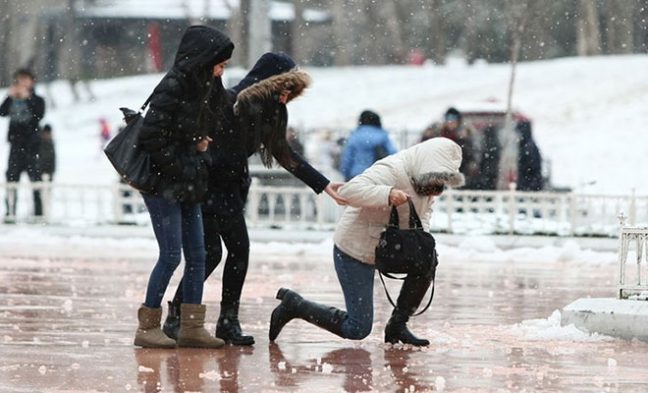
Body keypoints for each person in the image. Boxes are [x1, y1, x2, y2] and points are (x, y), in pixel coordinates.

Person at [161, 53, 346, 346]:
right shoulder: (232, 100)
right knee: (220, 253)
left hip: (230, 188)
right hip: (207, 186)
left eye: (291, 91)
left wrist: (323, 184)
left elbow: (284, 154)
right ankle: (188, 317)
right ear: (270, 83)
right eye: (285, 88)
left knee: (220, 253)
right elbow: (207, 118)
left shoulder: (274, 111)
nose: (287, 96)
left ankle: (213, 320)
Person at [268, 137, 464, 347]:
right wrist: (386, 194)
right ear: (426, 166)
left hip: (387, 247)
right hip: (355, 249)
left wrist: (420, 240)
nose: (436, 189)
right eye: (436, 181)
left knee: (427, 260)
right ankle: (295, 306)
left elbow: (424, 212)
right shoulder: (391, 169)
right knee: (358, 328)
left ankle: (397, 325)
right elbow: (349, 190)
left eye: (442, 183)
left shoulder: (426, 181)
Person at [133, 25, 234, 349]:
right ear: (204, 59)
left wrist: (197, 147)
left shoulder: (203, 88)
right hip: (164, 185)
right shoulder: (174, 86)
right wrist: (186, 159)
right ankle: (148, 325)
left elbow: (198, 128)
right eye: (220, 63)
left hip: (189, 182)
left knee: (198, 255)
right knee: (171, 255)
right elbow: (153, 138)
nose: (222, 69)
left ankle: (192, 326)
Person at [0, 68, 45, 222]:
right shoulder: (11, 99)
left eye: (26, 79)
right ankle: (10, 212)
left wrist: (27, 99)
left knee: (36, 182)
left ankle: (39, 214)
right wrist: (10, 96)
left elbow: (39, 114)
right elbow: (2, 112)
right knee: (11, 180)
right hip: (15, 145)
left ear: (32, 81)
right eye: (20, 79)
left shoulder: (37, 99)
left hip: (32, 147)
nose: (22, 83)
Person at [339, 110, 397, 181]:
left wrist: (346, 174)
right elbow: (393, 154)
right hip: (377, 175)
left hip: (356, 175)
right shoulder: (382, 136)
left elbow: (347, 158)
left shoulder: (354, 136)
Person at [516, 119, 543, 191]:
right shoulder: (528, 146)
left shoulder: (528, 148)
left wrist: (524, 186)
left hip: (529, 187)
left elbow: (530, 169)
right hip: (530, 186)